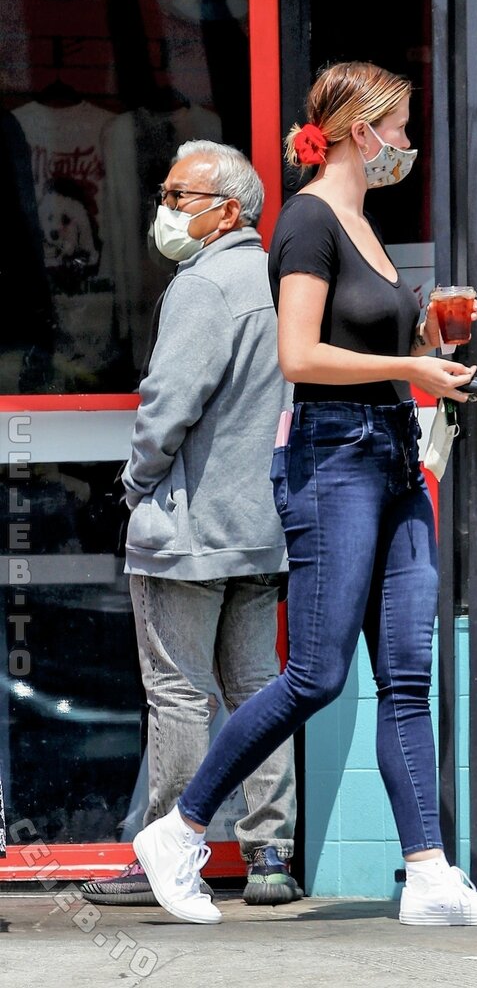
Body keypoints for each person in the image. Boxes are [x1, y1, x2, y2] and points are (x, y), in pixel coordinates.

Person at [132, 63, 477, 928]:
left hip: (392, 456)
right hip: (333, 458)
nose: (407, 145)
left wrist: (430, 339)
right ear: (362, 130)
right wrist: (409, 367)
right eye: (400, 128)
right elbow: (300, 356)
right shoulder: (307, 221)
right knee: (315, 674)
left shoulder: (364, 223)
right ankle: (180, 829)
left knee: (406, 676)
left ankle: (429, 875)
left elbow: (375, 346)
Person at [81, 140, 301, 908]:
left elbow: (168, 404)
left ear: (229, 211)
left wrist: (135, 483)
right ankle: (269, 853)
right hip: (260, 524)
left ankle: (166, 855)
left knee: (177, 693)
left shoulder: (203, 286)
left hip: (188, 530)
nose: (166, 209)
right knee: (257, 688)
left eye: (179, 196)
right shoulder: (281, 280)